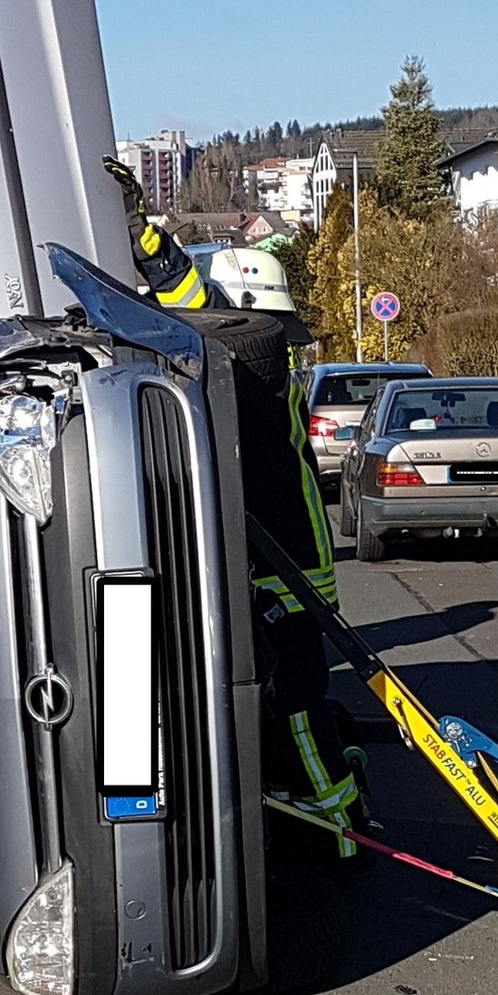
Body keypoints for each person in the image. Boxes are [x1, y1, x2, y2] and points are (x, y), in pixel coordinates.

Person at [103, 156, 366, 865]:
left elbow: (193, 312)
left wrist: (149, 248)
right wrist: (145, 239)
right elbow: (195, 304)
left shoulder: (254, 363)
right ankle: (318, 814)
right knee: (287, 704)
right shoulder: (261, 359)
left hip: (287, 566)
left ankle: (340, 836)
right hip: (285, 558)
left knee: (297, 709)